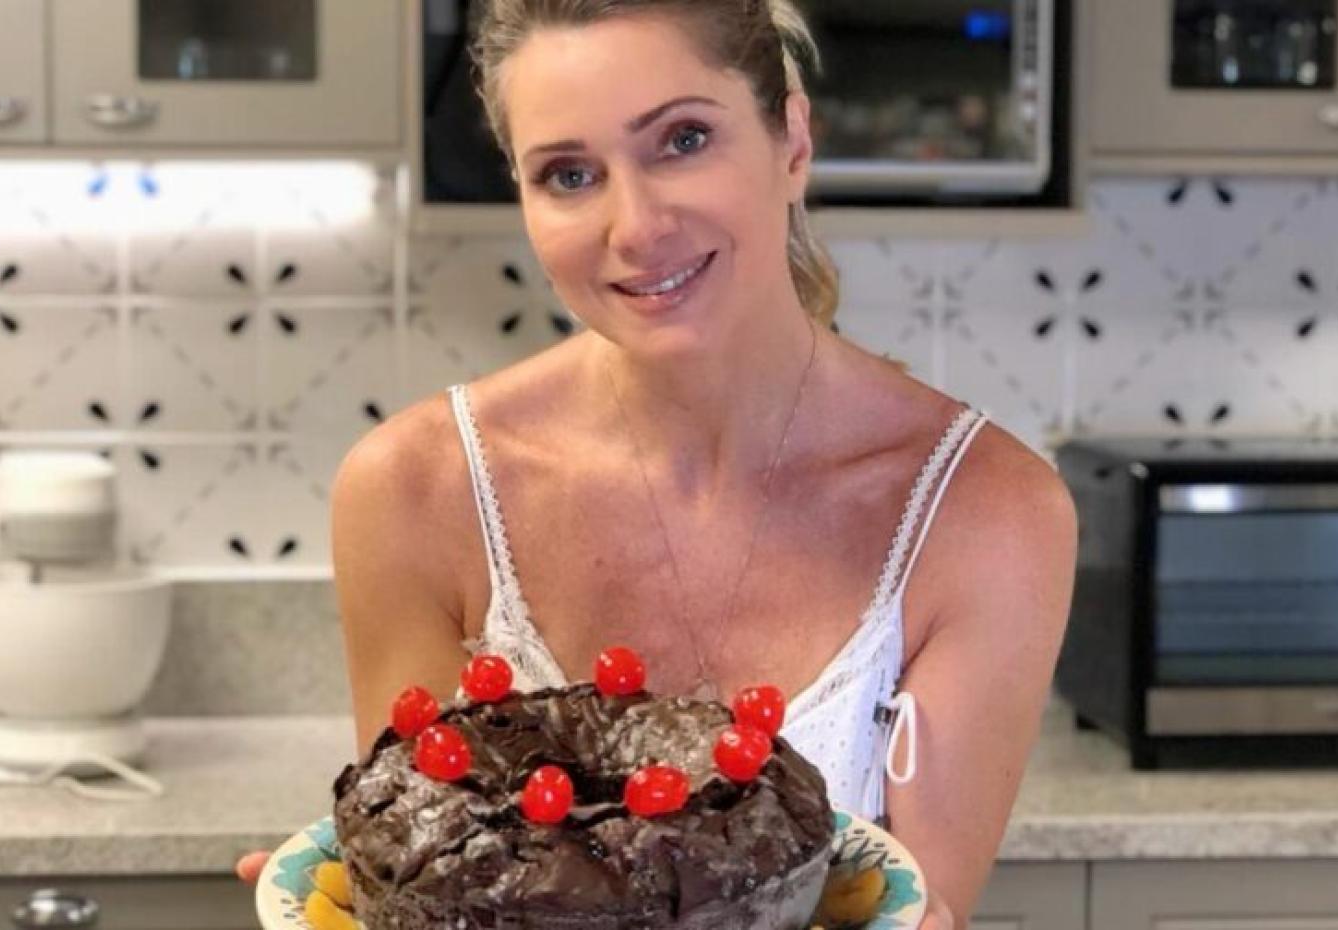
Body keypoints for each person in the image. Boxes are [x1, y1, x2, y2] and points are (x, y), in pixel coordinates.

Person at [238, 1, 1078, 926]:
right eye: (569, 174)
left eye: (683, 140)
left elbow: (906, 907)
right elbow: (435, 871)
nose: (635, 227)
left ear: (792, 142)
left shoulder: (986, 513)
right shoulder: (415, 491)